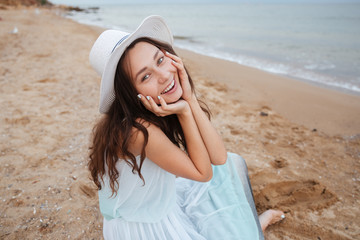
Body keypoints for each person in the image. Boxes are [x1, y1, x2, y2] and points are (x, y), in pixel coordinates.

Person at [88, 15, 285, 240]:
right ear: (132, 95)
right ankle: (256, 228)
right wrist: (183, 111)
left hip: (156, 206)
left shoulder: (147, 112)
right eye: (146, 76)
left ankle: (251, 227)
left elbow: (219, 157)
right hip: (146, 228)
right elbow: (203, 173)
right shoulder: (138, 131)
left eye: (160, 60)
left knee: (232, 164)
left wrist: (190, 99)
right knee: (225, 190)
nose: (164, 76)